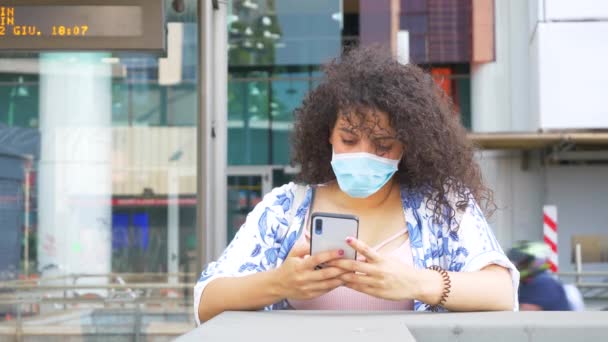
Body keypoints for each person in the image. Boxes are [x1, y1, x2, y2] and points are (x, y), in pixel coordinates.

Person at [194, 46, 519, 324]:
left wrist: (416, 283)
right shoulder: (283, 209)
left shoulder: (443, 205)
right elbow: (206, 301)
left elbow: (502, 291)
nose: (363, 154)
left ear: (409, 145)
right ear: (328, 135)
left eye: (383, 145)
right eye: (349, 139)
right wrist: (281, 283)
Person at [507, 241, 580, 311]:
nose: (516, 265)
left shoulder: (542, 283)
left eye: (522, 262)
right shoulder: (527, 282)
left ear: (535, 262)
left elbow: (525, 313)